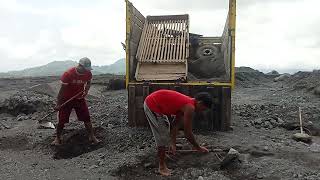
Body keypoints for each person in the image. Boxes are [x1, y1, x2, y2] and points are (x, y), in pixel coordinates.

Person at [143, 89, 212, 176]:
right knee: (162, 135)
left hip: (157, 104)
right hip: (152, 104)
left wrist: (173, 143)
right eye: (203, 109)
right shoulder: (190, 107)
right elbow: (188, 133)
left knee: (166, 126)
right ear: (200, 103)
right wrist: (198, 147)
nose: (202, 111)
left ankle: (166, 150)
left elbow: (175, 125)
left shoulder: (186, 103)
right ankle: (162, 166)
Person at [51, 57, 100, 146]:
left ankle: (92, 136)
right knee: (62, 120)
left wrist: (86, 91)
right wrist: (58, 104)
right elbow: (61, 91)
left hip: (79, 98)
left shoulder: (88, 73)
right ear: (80, 66)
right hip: (66, 99)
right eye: (85, 69)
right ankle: (57, 138)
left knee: (86, 117)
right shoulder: (68, 74)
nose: (86, 71)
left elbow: (88, 82)